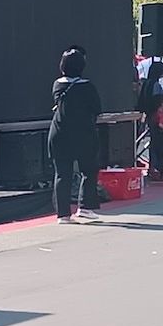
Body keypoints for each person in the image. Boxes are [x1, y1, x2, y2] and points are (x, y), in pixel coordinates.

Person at [49, 47, 102, 223]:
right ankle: (85, 207)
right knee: (89, 169)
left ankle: (63, 214)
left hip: (59, 132)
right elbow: (97, 109)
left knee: (62, 173)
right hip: (83, 133)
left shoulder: (57, 84)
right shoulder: (87, 86)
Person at [138, 61, 163, 182]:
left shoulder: (146, 83)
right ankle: (160, 168)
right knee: (161, 143)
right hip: (157, 116)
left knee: (154, 142)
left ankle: (153, 168)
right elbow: (159, 101)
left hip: (148, 115)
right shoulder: (156, 85)